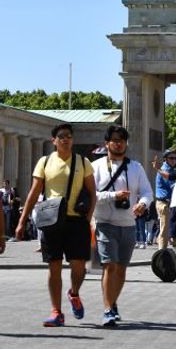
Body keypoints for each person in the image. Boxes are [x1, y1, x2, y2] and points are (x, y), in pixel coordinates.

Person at [14, 123, 97, 327]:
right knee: (54, 266)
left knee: (79, 266)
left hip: (77, 220)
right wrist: (21, 221)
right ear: (54, 141)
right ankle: (56, 312)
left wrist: (88, 219)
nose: (66, 139)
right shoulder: (45, 161)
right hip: (52, 221)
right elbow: (33, 193)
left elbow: (92, 193)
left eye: (69, 136)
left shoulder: (82, 161)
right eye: (61, 136)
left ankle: (74, 293)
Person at [92, 125, 153, 326]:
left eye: (122, 140)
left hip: (128, 224)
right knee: (109, 266)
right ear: (107, 143)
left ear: (126, 143)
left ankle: (113, 302)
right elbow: (90, 195)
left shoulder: (136, 167)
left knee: (121, 269)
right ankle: (108, 309)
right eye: (115, 140)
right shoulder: (97, 166)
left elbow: (147, 192)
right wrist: (113, 195)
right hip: (105, 223)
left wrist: (142, 204)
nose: (118, 143)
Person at [154, 149, 176, 249]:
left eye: (175, 158)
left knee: (168, 231)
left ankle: (166, 253)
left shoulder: (171, 170)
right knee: (164, 231)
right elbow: (174, 186)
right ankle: (161, 256)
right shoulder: (165, 170)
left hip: (168, 204)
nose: (174, 160)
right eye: (171, 158)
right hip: (164, 203)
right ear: (165, 159)